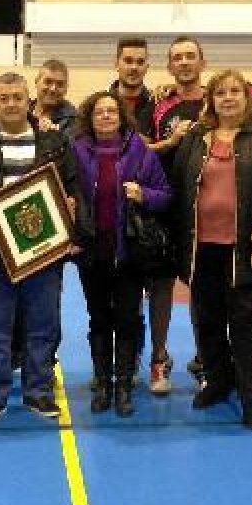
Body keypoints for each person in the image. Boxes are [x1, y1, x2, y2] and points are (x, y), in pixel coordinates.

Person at [0, 72, 92, 425]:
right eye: (3, 98)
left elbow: (72, 186)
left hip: (44, 251)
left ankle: (39, 393)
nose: (11, 104)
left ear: (28, 99)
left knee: (43, 325)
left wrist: (71, 210)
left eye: (17, 97)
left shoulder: (53, 140)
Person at [171, 69, 252, 429]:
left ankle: (251, 399)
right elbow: (179, 184)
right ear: (211, 98)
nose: (227, 97)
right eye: (220, 91)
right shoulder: (196, 136)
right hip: (202, 248)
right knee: (206, 322)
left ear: (246, 96)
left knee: (246, 327)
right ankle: (218, 383)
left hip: (246, 251)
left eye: (234, 91)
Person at [72, 92, 173, 416]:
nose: (105, 116)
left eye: (111, 111)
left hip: (130, 254)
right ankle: (103, 383)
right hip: (92, 253)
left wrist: (144, 194)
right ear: (90, 117)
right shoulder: (76, 152)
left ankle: (125, 386)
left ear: (121, 116)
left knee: (128, 320)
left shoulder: (140, 151)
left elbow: (165, 195)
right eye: (99, 111)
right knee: (99, 320)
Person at [140, 35, 206, 393]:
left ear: (202, 62)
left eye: (190, 56)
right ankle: (159, 359)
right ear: (169, 66)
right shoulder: (158, 106)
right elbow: (139, 150)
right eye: (177, 57)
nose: (184, 62)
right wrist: (172, 141)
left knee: (203, 288)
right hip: (165, 210)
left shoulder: (217, 103)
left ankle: (206, 358)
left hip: (207, 212)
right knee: (162, 289)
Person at [32, 59, 79, 136]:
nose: (53, 89)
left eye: (60, 84)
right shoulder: (23, 111)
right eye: (48, 82)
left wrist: (52, 135)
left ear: (66, 88)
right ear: (36, 82)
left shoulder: (74, 121)